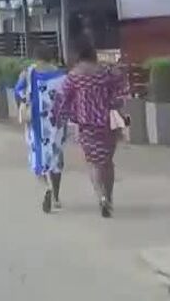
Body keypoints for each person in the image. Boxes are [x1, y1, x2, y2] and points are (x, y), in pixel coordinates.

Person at [55, 42, 128, 218]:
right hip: (107, 123)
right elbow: (121, 88)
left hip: (86, 124)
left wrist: (60, 117)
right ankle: (109, 196)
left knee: (93, 163)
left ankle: (100, 196)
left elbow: (63, 98)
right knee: (107, 162)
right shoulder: (105, 72)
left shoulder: (74, 76)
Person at [14, 42, 69, 213]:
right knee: (56, 158)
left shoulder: (28, 73)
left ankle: (46, 187)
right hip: (57, 123)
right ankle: (56, 197)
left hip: (36, 123)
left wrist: (23, 106)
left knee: (37, 157)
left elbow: (18, 92)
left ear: (35, 57)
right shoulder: (62, 76)